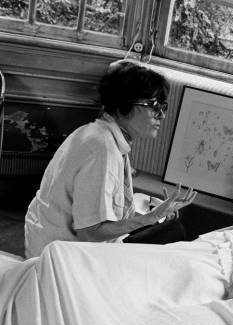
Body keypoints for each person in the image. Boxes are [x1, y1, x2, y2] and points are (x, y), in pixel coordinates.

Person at [24, 60, 196, 259]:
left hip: (53, 241)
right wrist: (151, 218)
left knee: (171, 230)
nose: (162, 115)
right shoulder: (101, 150)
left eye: (163, 106)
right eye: (154, 105)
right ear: (125, 104)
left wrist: (155, 215)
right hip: (61, 258)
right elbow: (89, 232)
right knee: (174, 236)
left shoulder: (99, 135)